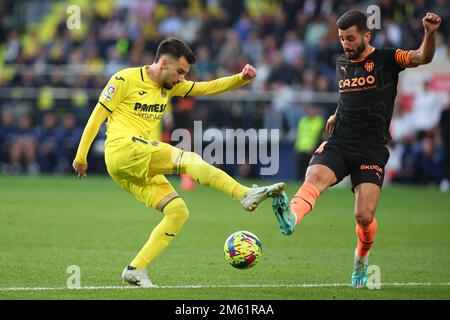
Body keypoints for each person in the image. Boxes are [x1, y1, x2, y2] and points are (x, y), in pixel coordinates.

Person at [72, 37, 285, 287]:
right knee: (189, 159)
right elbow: (96, 117)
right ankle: (244, 194)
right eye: (180, 71)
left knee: (177, 212)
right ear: (164, 62)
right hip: (123, 148)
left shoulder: (171, 86)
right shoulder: (123, 79)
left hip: (129, 167)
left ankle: (135, 269)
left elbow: (207, 88)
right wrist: (81, 156)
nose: (182, 78)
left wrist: (241, 79)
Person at [272, 11, 442, 288]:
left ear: (366, 35)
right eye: (341, 39)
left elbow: (422, 57)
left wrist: (430, 33)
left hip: (371, 148)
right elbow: (348, 95)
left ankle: (361, 260)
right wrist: (337, 113)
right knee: (314, 176)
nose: (345, 44)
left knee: (364, 216)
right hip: (341, 140)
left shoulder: (387, 58)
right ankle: (291, 216)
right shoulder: (342, 62)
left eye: (350, 38)